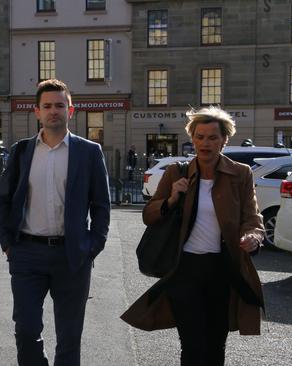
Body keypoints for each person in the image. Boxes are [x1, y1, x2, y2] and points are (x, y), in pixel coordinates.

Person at [121, 106, 265, 365]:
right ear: (192, 138)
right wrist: (173, 198)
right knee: (192, 345)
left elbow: (252, 217)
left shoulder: (240, 174)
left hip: (222, 269)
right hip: (184, 269)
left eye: (212, 137)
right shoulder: (176, 172)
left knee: (215, 344)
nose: (205, 143)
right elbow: (150, 215)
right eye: (199, 137)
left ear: (224, 140)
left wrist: (254, 236)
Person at [0, 79, 110, 366]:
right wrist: (8, 245)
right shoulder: (21, 151)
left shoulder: (89, 152)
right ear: (37, 112)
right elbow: (3, 201)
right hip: (27, 254)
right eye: (47, 106)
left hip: (72, 255)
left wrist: (91, 247)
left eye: (60, 105)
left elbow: (101, 205)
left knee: (69, 337)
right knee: (27, 330)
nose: (53, 111)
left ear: (71, 111)